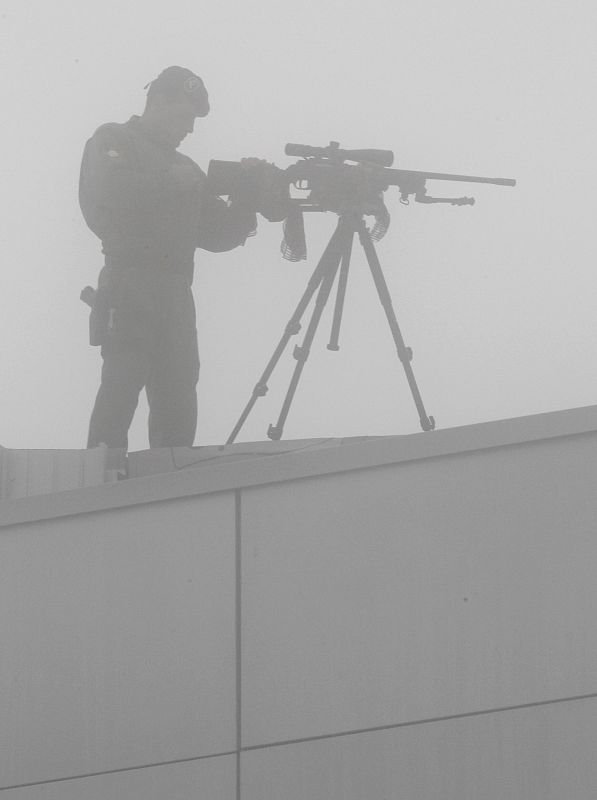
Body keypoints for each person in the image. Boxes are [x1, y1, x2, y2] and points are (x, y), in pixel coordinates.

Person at [79, 66, 257, 449]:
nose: (190, 129)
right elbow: (107, 195)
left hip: (176, 291)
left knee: (179, 395)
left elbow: (218, 234)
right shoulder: (113, 139)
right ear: (158, 102)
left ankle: (171, 492)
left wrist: (247, 197)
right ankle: (99, 490)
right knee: (120, 388)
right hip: (130, 282)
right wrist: (166, 184)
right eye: (185, 116)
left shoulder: (189, 170)